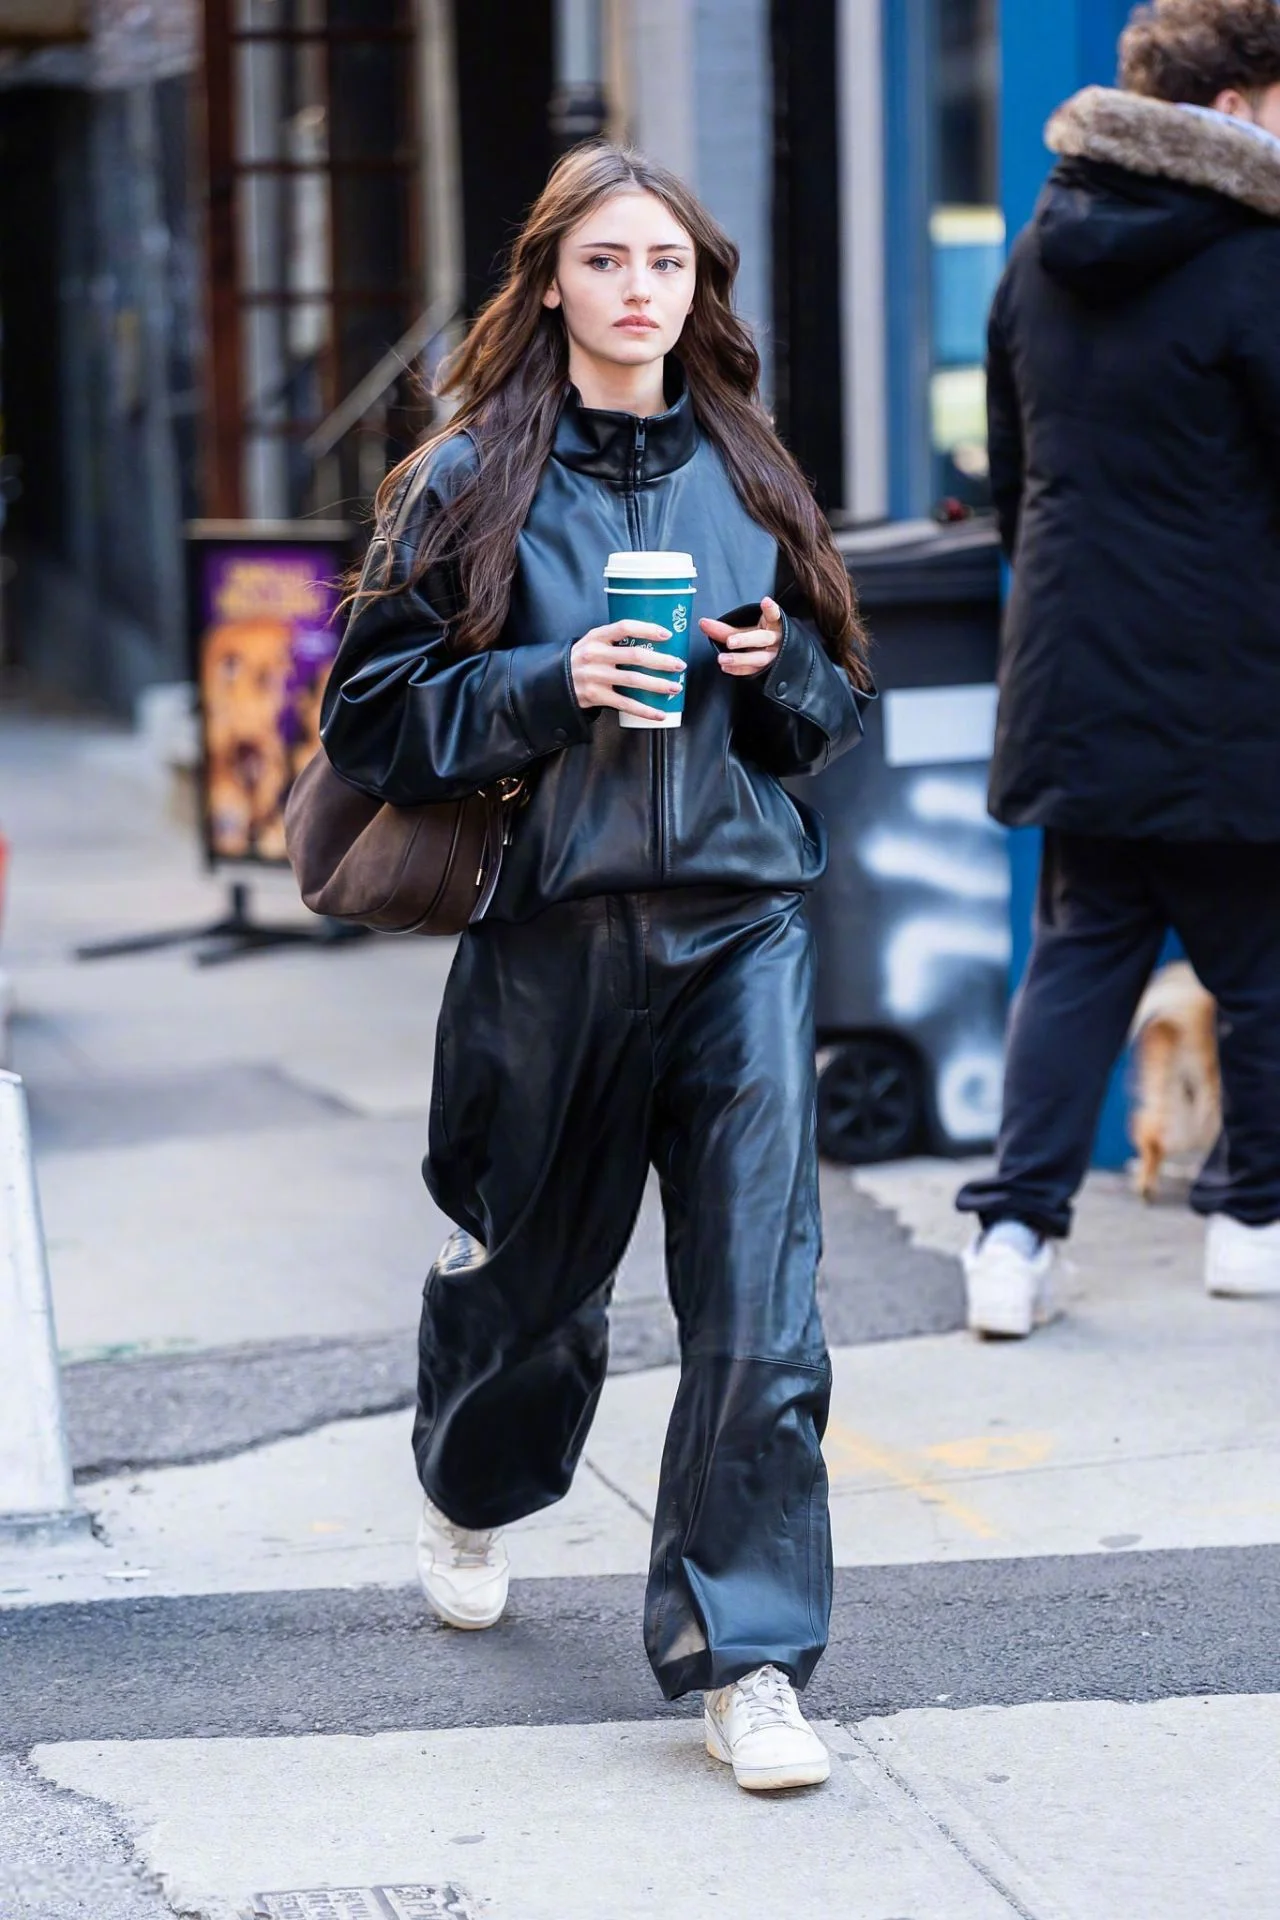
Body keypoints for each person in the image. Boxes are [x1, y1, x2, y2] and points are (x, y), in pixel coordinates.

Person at [320, 142, 871, 1790]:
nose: (641, 290)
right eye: (610, 261)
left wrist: (778, 673)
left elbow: (836, 712)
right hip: (549, 942)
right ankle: (468, 1485)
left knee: (762, 1309)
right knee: (531, 1295)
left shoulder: (754, 469)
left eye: (668, 265)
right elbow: (368, 722)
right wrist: (546, 684)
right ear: (551, 281)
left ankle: (748, 1659)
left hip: (740, 932)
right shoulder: (464, 478)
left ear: (699, 290)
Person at [957, 0, 1280, 1337]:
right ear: (1234, 106)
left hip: (1075, 673)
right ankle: (1253, 1223)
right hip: (1234, 684)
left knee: (1081, 954)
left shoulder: (1040, 246)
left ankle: (1013, 1239)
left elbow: (1014, 476)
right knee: (1262, 962)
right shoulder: (1255, 254)